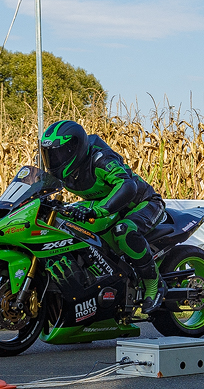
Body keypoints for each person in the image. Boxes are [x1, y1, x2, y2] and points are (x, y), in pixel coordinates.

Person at [39, 120, 166, 310]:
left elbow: (127, 185)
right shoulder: (63, 172)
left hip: (142, 203)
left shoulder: (101, 160)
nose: (54, 160)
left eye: (59, 154)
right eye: (49, 155)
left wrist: (98, 210)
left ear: (75, 149)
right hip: (108, 207)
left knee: (123, 230)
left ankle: (153, 284)